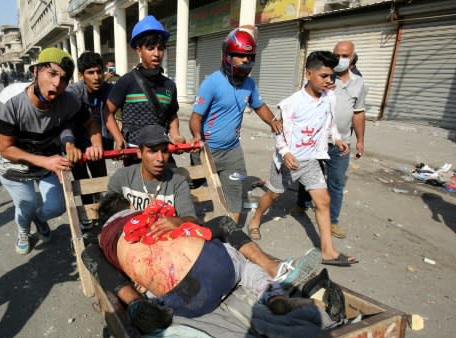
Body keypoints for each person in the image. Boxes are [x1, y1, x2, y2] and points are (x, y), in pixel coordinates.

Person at [107, 124, 320, 285]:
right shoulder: (122, 179)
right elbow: (108, 222)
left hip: (176, 240)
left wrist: (178, 220)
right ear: (139, 153)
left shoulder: (177, 180)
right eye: (152, 151)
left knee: (225, 223)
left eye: (164, 150)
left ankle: (274, 269)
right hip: (140, 249)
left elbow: (191, 219)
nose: (160, 158)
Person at [97, 192, 318, 320]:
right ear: (130, 205)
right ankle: (274, 287)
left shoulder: (105, 241)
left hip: (183, 304)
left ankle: (137, 304)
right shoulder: (145, 211)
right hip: (219, 268)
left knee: (150, 281)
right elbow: (194, 227)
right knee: (242, 264)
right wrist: (180, 221)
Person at [247, 51, 358, 266]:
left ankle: (328, 251)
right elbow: (279, 132)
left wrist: (336, 139)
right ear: (308, 74)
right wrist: (286, 152)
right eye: (323, 76)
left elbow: (330, 123)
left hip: (311, 161)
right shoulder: (291, 104)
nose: (329, 81)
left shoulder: (329, 97)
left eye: (331, 76)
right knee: (273, 195)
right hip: (288, 162)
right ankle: (256, 217)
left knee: (323, 201)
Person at [0, 47, 103, 255]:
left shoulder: (69, 100)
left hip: (46, 160)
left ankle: (39, 220)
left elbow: (91, 124)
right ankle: (23, 230)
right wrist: (46, 162)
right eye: (51, 73)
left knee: (56, 207)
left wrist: (96, 145)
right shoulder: (9, 101)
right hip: (13, 165)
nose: (57, 83)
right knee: (28, 204)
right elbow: (6, 149)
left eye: (64, 78)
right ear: (35, 72)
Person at [189, 26, 282, 224]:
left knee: (235, 191)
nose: (246, 60)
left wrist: (274, 121)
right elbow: (195, 117)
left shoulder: (249, 84)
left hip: (233, 152)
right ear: (228, 56)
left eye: (249, 56)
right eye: (240, 56)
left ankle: (231, 235)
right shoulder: (211, 83)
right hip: (207, 151)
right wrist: (198, 140)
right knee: (196, 192)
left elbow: (259, 106)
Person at [292, 41, 366, 240]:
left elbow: (358, 114)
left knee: (336, 182)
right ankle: (302, 203)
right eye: (337, 55)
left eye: (346, 55)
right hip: (314, 140)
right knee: (306, 173)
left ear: (353, 58)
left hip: (341, 141)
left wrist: (360, 140)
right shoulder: (320, 79)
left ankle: (332, 220)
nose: (341, 59)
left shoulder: (358, 83)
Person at [104, 15, 185, 167]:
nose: (156, 53)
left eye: (160, 48)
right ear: (138, 50)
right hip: (134, 154)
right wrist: (118, 137)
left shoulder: (169, 85)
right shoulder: (127, 81)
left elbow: (172, 114)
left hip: (161, 153)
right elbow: (107, 111)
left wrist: (175, 135)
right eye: (150, 48)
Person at [67, 51, 115, 230]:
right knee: (81, 180)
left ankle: (100, 209)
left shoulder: (107, 89)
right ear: (81, 75)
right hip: (76, 143)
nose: (96, 77)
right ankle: (86, 214)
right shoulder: (73, 93)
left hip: (97, 142)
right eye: (90, 72)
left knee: (100, 177)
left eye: (99, 71)